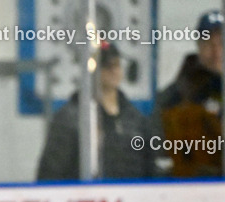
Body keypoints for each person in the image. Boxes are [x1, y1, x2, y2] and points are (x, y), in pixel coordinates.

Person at [37, 41, 166, 180]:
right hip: (87, 197)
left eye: (116, 64)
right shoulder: (70, 119)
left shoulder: (136, 119)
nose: (113, 70)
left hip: (132, 198)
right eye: (106, 65)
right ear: (92, 71)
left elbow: (150, 169)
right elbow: (50, 173)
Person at [153, 10, 223, 178]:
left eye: (222, 43)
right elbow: (158, 146)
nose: (217, 52)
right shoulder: (176, 97)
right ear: (198, 46)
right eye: (209, 44)